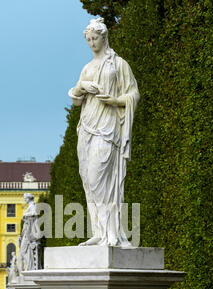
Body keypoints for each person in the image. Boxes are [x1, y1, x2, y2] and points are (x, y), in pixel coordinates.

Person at [69, 17, 140, 247]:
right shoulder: (87, 68)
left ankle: (113, 232)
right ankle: (99, 232)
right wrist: (81, 87)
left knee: (99, 178)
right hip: (86, 128)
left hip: (108, 128)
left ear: (104, 37)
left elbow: (133, 94)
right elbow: (76, 101)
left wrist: (116, 101)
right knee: (87, 181)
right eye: (88, 40)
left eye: (94, 38)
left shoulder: (119, 65)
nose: (91, 43)